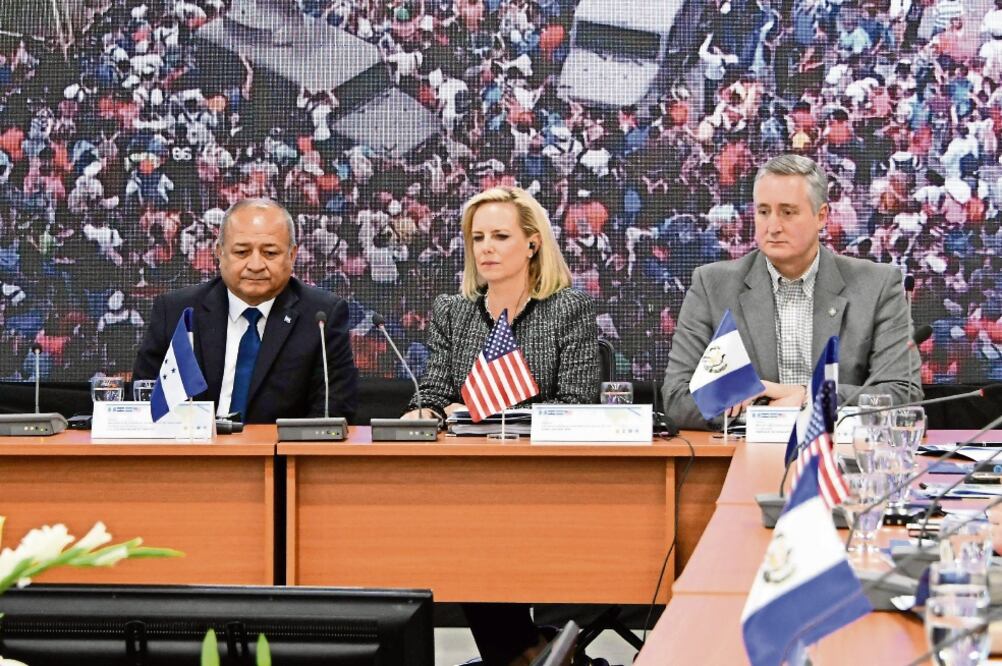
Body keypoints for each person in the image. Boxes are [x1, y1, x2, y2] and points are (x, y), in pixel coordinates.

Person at [402, 186, 599, 665]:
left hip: (546, 479)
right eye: (477, 237)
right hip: (468, 479)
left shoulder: (566, 308)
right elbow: (433, 389)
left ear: (532, 243)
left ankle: (524, 653)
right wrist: (423, 411)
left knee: (476, 527)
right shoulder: (454, 310)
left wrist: (489, 416)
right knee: (461, 525)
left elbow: (576, 404)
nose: (485, 247)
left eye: (500, 236)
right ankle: (528, 652)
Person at [662, 154, 923, 430]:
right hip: (743, 460)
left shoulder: (877, 285)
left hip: (840, 460)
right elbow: (677, 398)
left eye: (787, 212)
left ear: (821, 216)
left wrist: (808, 397)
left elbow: (903, 395)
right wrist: (767, 411)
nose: (772, 227)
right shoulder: (712, 285)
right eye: (763, 212)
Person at [133, 198, 359, 423]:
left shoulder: (321, 317)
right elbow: (145, 402)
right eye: (242, 252)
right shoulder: (177, 311)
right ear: (220, 253)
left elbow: (332, 411)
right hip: (193, 453)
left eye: (270, 253)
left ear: (292, 256)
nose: (256, 265)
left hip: (279, 455)